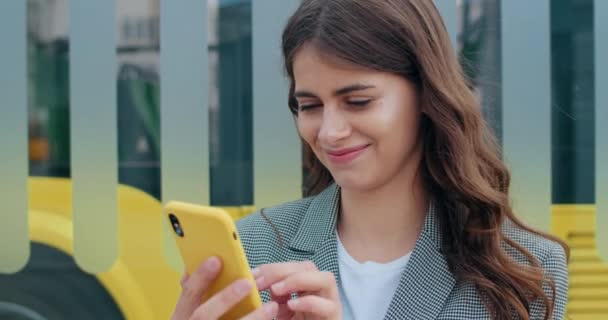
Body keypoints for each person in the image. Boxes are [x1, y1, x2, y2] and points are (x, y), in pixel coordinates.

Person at [170, 0, 569, 319]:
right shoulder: (252, 248)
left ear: (427, 95)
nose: (328, 131)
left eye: (358, 102)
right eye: (309, 106)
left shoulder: (519, 269)